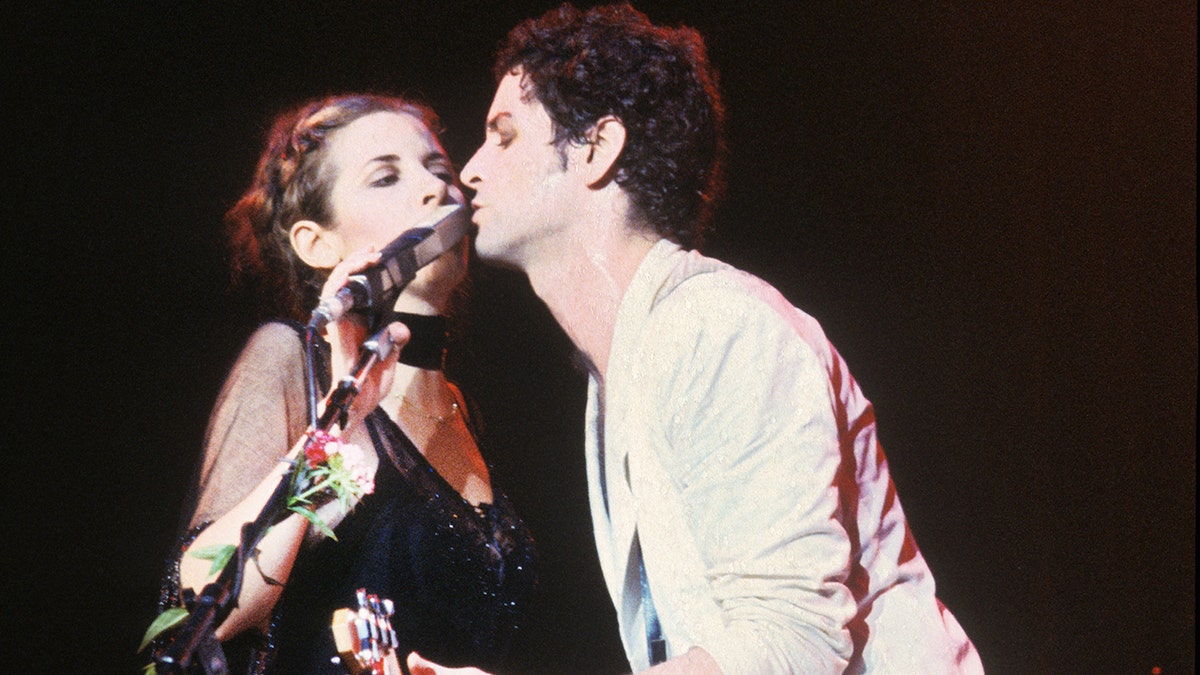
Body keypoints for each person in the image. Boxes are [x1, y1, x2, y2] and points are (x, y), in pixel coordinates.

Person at [409, 4, 983, 674]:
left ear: (596, 147)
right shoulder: (621, 366)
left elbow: (794, 640)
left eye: (503, 136)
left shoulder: (718, 328)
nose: (470, 170)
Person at [155, 94, 537, 674]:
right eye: (386, 177)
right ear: (317, 243)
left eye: (440, 171)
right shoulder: (289, 362)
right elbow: (199, 606)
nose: (437, 191)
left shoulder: (464, 410)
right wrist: (340, 428)